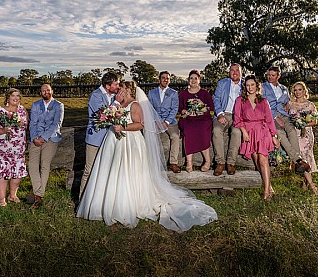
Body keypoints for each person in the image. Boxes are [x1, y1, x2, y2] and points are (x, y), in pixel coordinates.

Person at [76, 81, 217, 231]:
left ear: (128, 91)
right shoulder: (117, 103)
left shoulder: (135, 105)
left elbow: (140, 124)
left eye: (121, 89)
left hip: (129, 143)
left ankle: (127, 205)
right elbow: (106, 115)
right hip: (113, 142)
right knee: (111, 170)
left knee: (128, 173)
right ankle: (104, 203)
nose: (118, 91)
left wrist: (123, 127)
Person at [233, 75, 280, 201]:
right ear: (245, 87)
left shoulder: (263, 101)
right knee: (257, 162)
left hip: (262, 132)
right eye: (248, 85)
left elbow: (270, 120)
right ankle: (269, 186)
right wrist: (244, 132)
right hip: (249, 133)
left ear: (257, 86)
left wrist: (274, 136)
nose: (250, 87)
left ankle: (266, 192)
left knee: (263, 161)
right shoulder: (240, 101)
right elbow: (237, 119)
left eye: (252, 85)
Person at [79, 72, 125, 198]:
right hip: (95, 139)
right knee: (89, 170)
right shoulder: (96, 95)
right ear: (107, 85)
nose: (118, 86)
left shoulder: (114, 95)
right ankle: (82, 199)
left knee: (105, 170)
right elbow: (103, 116)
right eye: (115, 84)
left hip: (109, 139)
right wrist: (116, 102)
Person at [262, 66, 311, 175]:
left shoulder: (284, 88)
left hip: (285, 114)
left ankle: (295, 163)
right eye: (269, 75)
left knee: (292, 131)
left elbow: (288, 102)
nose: (270, 77)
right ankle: (298, 160)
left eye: (273, 75)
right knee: (279, 133)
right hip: (270, 115)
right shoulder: (263, 87)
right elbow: (263, 105)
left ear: (278, 76)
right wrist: (275, 117)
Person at [0, 88, 28, 206]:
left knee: (17, 171)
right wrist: (3, 130)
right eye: (13, 95)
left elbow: (25, 127)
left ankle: (12, 195)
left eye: (18, 96)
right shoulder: (0, 111)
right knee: (2, 171)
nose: (15, 98)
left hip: (18, 147)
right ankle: (2, 198)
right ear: (7, 98)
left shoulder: (22, 110)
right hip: (1, 148)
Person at [27, 84, 64, 209]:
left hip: (51, 138)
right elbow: (32, 123)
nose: (46, 92)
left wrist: (44, 137)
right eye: (43, 90)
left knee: (44, 165)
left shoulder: (59, 105)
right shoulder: (36, 105)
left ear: (52, 91)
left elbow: (56, 124)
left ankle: (38, 196)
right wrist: (34, 138)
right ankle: (39, 193)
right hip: (36, 138)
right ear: (40, 92)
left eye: (48, 90)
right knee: (32, 165)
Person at [178, 69, 214, 173]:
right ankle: (189, 162)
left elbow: (211, 107)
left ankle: (207, 161)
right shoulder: (183, 94)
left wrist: (201, 112)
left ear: (199, 80)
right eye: (191, 78)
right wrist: (184, 111)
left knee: (203, 131)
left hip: (203, 119)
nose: (193, 80)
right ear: (188, 80)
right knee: (188, 131)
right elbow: (179, 108)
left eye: (195, 78)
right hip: (188, 119)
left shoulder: (204, 93)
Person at [288, 81, 318, 196]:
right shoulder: (290, 104)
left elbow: (314, 121)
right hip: (294, 135)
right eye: (295, 90)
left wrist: (302, 124)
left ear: (304, 91)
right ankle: (312, 186)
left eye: (299, 89)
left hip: (306, 134)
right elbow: (286, 119)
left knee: (307, 156)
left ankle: (307, 184)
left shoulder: (310, 105)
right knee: (301, 158)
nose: (297, 92)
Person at [211, 63, 243, 176]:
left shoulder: (245, 85)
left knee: (236, 132)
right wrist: (219, 114)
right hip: (223, 113)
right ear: (229, 72)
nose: (234, 73)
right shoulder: (222, 83)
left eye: (237, 70)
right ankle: (220, 162)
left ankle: (231, 163)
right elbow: (216, 99)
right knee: (216, 130)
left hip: (238, 116)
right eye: (232, 70)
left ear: (241, 72)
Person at [148, 71, 182, 173]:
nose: (165, 80)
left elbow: (174, 109)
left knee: (175, 136)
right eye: (163, 78)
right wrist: (155, 121)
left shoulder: (174, 93)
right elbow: (149, 108)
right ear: (159, 79)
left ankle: (173, 162)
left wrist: (166, 122)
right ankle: (152, 163)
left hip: (170, 121)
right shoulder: (151, 93)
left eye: (167, 78)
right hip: (155, 120)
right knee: (149, 136)